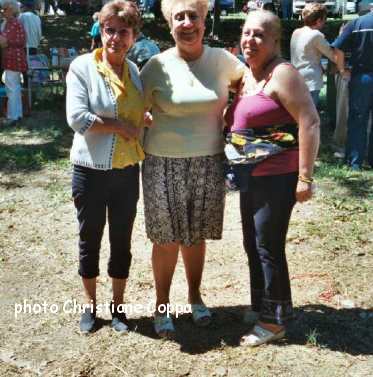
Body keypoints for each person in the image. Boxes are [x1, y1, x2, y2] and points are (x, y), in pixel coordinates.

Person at [140, 0, 245, 338]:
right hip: (162, 162)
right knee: (167, 238)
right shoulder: (156, 65)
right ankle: (161, 305)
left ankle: (196, 297)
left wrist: (236, 114)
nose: (187, 24)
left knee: (196, 236)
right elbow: (135, 108)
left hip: (208, 160)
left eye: (193, 17)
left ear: (204, 22)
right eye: (179, 17)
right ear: (170, 25)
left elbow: (248, 83)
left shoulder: (221, 60)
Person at [225, 10, 319, 346]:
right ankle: (261, 305)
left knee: (268, 246)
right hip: (251, 175)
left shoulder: (283, 73)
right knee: (253, 243)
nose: (250, 40)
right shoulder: (248, 74)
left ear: (275, 40)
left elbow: (308, 122)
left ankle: (275, 323)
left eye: (259, 35)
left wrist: (305, 178)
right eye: (246, 33)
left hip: (278, 176)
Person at [66, 0, 144, 334]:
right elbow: (77, 118)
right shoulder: (81, 67)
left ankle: (118, 308)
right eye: (109, 29)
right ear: (101, 31)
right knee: (90, 238)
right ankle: (89, 307)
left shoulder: (136, 71)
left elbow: (137, 113)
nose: (115, 37)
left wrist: (143, 121)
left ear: (133, 36)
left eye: (123, 31)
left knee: (122, 239)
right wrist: (121, 127)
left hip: (127, 171)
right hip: (90, 170)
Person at [332, 6, 373, 170]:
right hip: (362, 76)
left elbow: (338, 48)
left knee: (357, 120)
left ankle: (355, 162)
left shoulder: (356, 23)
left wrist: (342, 71)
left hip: (362, 78)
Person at [290, 3, 336, 107]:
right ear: (319, 20)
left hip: (296, 80)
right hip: (310, 82)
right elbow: (332, 55)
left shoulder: (296, 32)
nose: (325, 22)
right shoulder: (316, 35)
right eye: (324, 19)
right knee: (310, 118)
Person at [0, 0, 27, 126]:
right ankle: (17, 114)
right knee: (13, 87)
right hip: (12, 58)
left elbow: (9, 41)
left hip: (13, 58)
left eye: (4, 9)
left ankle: (13, 116)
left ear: (11, 9)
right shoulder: (10, 23)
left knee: (12, 88)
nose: (2, 12)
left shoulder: (14, 23)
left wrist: (4, 41)